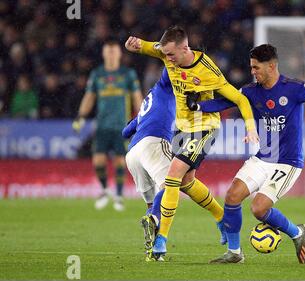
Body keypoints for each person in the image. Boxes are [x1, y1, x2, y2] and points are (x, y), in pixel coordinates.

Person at [187, 44, 305, 264]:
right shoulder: (250, 91)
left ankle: (297, 233)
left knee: (258, 208)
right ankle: (235, 253)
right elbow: (225, 101)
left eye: (256, 67)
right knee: (232, 196)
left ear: (272, 66)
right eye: (251, 67)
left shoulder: (293, 88)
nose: (253, 72)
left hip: (288, 163)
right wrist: (198, 107)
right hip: (262, 157)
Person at [125, 25, 259, 260]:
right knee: (187, 181)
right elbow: (148, 47)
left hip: (205, 127)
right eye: (165, 54)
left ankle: (161, 242)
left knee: (173, 176)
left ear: (185, 48)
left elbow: (239, 98)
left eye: (171, 55)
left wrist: (250, 127)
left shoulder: (208, 70)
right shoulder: (167, 54)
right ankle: (221, 218)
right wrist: (135, 45)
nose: (167, 59)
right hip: (183, 129)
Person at [122, 67, 227, 261]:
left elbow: (125, 131)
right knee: (171, 185)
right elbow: (170, 67)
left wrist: (139, 123)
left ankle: (153, 252)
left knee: (154, 201)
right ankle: (154, 220)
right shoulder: (167, 84)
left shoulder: (150, 99)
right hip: (153, 144)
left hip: (133, 153)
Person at [72, 38, 143, 211]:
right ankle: (104, 190)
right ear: (104, 53)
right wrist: (81, 116)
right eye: (108, 51)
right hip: (102, 125)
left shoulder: (128, 74)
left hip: (121, 126)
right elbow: (89, 97)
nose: (111, 54)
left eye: (114, 51)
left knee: (120, 161)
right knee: (98, 161)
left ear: (119, 53)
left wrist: (142, 118)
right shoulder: (97, 74)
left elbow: (136, 97)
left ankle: (118, 196)